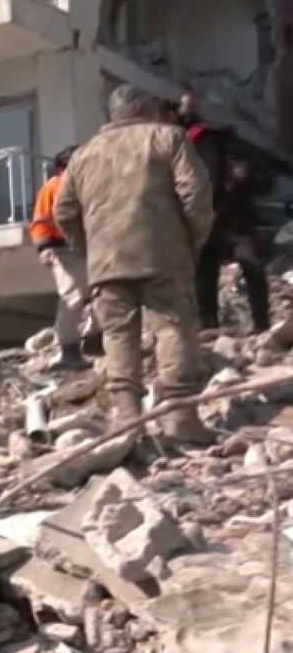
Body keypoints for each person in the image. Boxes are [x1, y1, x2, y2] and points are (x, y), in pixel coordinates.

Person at [55, 84, 214, 443]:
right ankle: (179, 418)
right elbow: (195, 193)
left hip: (107, 262)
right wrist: (191, 240)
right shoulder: (168, 137)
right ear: (144, 108)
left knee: (117, 335)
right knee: (173, 327)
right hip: (163, 254)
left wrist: (89, 247)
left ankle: (127, 420)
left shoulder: (83, 155)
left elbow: (62, 212)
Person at [181, 101, 271, 333]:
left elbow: (260, 183)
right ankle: (215, 325)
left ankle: (255, 324)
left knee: (234, 270)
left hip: (228, 222)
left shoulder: (207, 145)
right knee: (209, 274)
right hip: (222, 222)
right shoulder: (195, 145)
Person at [30, 146, 99, 370]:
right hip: (62, 249)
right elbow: (40, 221)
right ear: (62, 167)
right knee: (73, 297)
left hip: (88, 248)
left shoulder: (87, 185)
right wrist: (43, 248)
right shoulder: (52, 188)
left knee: (102, 292)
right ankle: (68, 349)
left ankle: (94, 340)